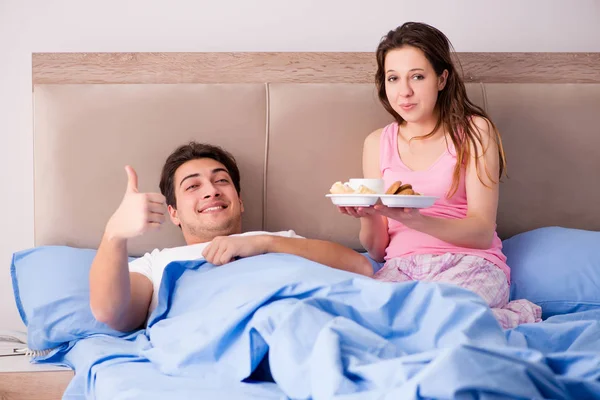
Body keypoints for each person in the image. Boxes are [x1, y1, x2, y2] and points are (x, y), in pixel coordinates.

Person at [338, 22, 541, 329]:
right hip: (402, 268)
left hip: (469, 263)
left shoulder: (475, 132)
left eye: (417, 77)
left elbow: (481, 232)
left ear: (442, 78)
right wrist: (368, 214)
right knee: (365, 322)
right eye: (393, 78)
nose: (404, 91)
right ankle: (492, 322)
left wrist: (414, 219)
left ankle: (508, 317)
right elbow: (379, 250)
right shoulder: (377, 142)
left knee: (442, 319)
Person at [90, 142, 373, 332]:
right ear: (174, 213)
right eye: (193, 186)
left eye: (221, 180)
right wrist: (114, 234)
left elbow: (360, 267)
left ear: (240, 200)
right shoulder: (157, 264)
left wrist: (263, 243)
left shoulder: (279, 240)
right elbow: (112, 313)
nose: (211, 191)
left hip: (309, 322)